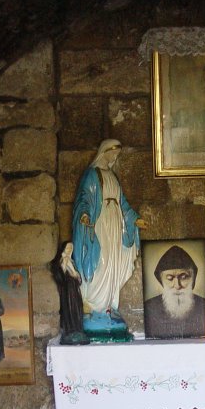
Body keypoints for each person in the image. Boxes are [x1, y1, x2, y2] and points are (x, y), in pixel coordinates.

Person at [71, 139, 143, 334]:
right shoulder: (91, 175)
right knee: (101, 262)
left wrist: (134, 219)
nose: (115, 157)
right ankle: (95, 307)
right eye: (113, 153)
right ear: (104, 152)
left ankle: (110, 306)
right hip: (100, 222)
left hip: (115, 222)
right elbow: (84, 198)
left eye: (117, 154)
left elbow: (123, 203)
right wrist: (85, 214)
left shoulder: (112, 176)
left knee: (113, 260)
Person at [143, 244, 205, 338]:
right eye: (169, 278)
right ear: (161, 281)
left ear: (193, 279)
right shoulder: (148, 307)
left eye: (184, 277)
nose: (177, 285)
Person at [52, 241, 90, 345]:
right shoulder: (61, 261)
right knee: (69, 310)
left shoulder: (72, 262)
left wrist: (75, 273)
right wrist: (64, 262)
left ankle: (77, 329)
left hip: (75, 291)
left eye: (71, 248)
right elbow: (60, 276)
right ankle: (69, 331)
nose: (69, 250)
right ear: (63, 249)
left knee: (76, 309)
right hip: (66, 291)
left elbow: (78, 279)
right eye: (67, 248)